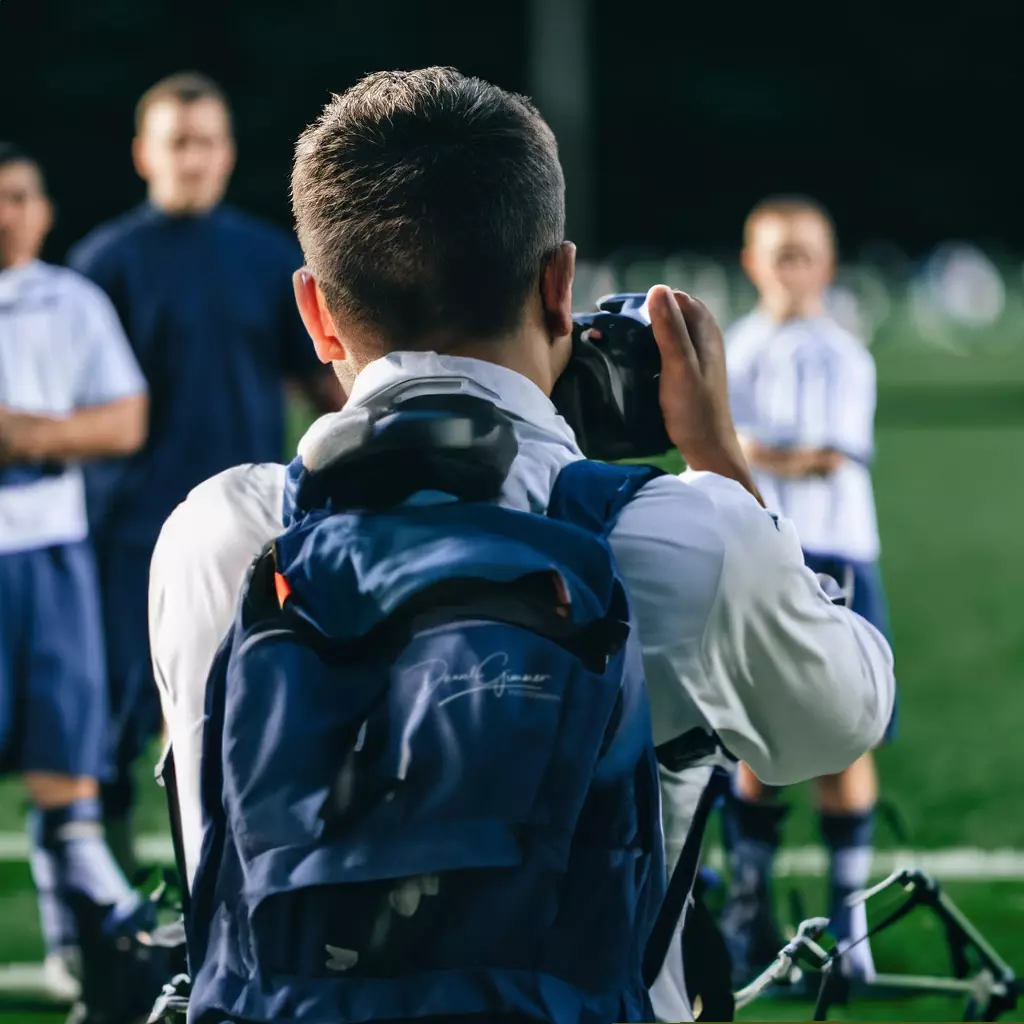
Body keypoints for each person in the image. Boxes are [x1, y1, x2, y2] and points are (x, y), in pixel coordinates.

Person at [147, 70, 895, 1023]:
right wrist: (721, 468)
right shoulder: (682, 538)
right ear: (558, 286)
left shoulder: (218, 537)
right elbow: (840, 720)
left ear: (317, 312)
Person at [66, 72, 343, 876]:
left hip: (251, 525)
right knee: (116, 717)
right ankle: (113, 919)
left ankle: (243, 892)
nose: (195, 158)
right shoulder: (103, 264)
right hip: (128, 527)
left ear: (228, 152)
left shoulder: (265, 256)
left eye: (209, 142)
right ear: (143, 154)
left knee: (253, 706)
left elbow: (325, 377)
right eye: (178, 142)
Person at [720, 195, 894, 983]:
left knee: (845, 731)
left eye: (804, 254)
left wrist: (748, 448)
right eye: (776, 254)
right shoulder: (735, 345)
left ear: (825, 265)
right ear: (753, 263)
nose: (791, 270)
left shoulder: (843, 355)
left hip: (837, 555)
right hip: (762, 551)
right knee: (752, 732)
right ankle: (749, 906)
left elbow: (829, 455)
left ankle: (850, 922)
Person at [0, 144, 148, 1001]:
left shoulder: (73, 300)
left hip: (52, 554)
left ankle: (82, 944)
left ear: (43, 209)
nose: (6, 214)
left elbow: (125, 419)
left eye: (18, 196)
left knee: (66, 759)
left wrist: (28, 436)